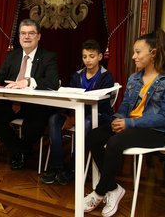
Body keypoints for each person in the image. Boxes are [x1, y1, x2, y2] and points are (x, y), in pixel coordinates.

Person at [83, 29, 165, 217]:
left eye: (138, 52)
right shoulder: (135, 78)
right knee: (94, 136)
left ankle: (100, 191)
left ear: (153, 53)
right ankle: (114, 188)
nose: (134, 56)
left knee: (114, 143)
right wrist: (117, 119)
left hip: (156, 131)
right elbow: (126, 105)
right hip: (130, 125)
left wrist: (129, 124)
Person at [0, 19, 59, 170]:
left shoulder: (48, 56)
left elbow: (53, 82)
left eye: (31, 33)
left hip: (36, 105)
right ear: (19, 37)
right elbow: (1, 75)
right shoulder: (12, 55)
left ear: (38, 36)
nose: (27, 37)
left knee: (33, 127)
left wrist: (28, 81)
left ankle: (20, 151)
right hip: (12, 102)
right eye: (23, 33)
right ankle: (21, 150)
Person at [41, 39, 114, 185]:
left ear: (100, 57)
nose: (88, 60)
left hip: (99, 116)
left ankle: (73, 168)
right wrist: (70, 116)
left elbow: (102, 104)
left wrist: (75, 117)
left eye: (92, 56)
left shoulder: (106, 77)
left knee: (86, 122)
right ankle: (57, 167)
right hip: (75, 113)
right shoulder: (77, 75)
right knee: (54, 119)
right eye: (84, 56)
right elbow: (70, 98)